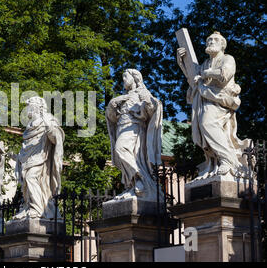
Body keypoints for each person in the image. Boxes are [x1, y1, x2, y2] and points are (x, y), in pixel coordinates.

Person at [177, 32, 251, 178]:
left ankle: (228, 161)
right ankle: (215, 162)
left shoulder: (227, 58)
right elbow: (193, 80)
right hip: (205, 100)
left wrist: (206, 74)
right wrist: (182, 62)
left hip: (219, 100)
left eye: (215, 39)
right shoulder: (205, 63)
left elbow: (224, 75)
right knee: (202, 131)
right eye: (209, 39)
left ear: (222, 45)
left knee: (207, 123)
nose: (211, 41)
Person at [105, 69, 163, 201]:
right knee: (124, 154)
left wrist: (147, 102)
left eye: (125, 77)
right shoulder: (121, 98)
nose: (123, 80)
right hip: (121, 128)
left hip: (134, 128)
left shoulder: (142, 93)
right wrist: (112, 105)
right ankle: (131, 185)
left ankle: (139, 177)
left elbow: (153, 108)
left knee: (121, 149)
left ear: (134, 78)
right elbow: (112, 118)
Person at [14, 96, 64, 220]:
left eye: (28, 106)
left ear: (36, 107)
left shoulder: (48, 119)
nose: (26, 110)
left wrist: (49, 129)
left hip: (41, 157)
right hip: (28, 158)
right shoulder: (29, 126)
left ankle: (37, 209)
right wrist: (18, 157)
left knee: (31, 178)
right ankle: (28, 206)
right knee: (26, 182)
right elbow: (26, 144)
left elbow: (56, 138)